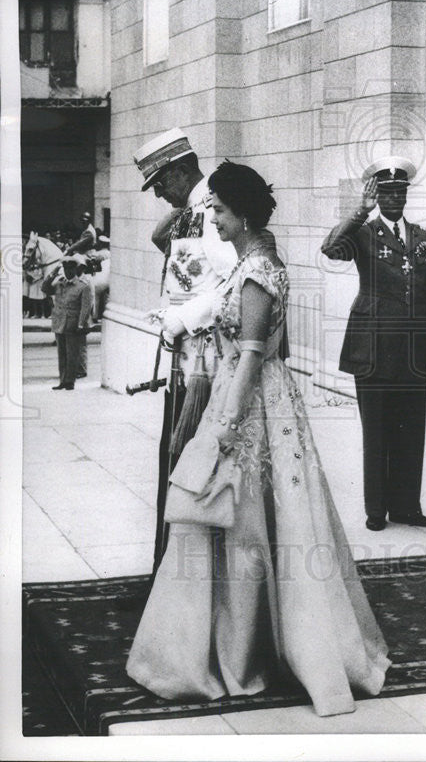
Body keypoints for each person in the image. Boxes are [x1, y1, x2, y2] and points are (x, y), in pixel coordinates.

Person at [127, 161, 390, 715]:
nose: (213, 219)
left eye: (219, 210)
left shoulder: (256, 272)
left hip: (250, 404)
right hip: (259, 397)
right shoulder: (255, 262)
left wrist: (220, 427)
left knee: (246, 522)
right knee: (256, 523)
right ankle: (245, 640)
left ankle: (246, 651)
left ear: (242, 212)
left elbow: (250, 355)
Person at [321, 157, 426, 531]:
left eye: (399, 192)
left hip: (412, 351)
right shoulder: (362, 233)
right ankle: (376, 509)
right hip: (372, 348)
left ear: (407, 194)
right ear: (377, 194)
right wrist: (360, 210)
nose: (394, 199)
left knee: (409, 428)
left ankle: (406, 506)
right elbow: (330, 247)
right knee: (376, 431)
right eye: (386, 192)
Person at [133, 127, 236, 572]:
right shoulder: (190, 208)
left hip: (207, 363)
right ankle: (169, 572)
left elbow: (234, 283)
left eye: (160, 183)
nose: (158, 194)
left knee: (190, 461)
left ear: (179, 171)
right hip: (188, 358)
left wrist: (181, 318)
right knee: (174, 457)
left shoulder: (213, 208)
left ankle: (182, 574)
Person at [41, 255, 93, 391]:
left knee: (72, 354)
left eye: (71, 269)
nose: (68, 271)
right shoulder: (59, 283)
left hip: (73, 324)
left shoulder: (83, 286)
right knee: (61, 354)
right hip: (59, 323)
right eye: (65, 269)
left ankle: (70, 381)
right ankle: (62, 380)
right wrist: (53, 272)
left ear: (76, 269)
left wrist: (81, 324)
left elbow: (85, 307)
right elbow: (44, 288)